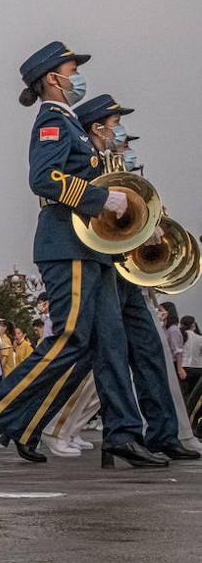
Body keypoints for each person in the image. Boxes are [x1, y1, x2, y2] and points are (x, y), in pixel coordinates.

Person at [0, 44, 165, 470]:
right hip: (66, 246)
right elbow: (44, 178)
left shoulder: (71, 125)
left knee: (108, 346)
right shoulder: (52, 123)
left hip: (91, 249)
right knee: (69, 339)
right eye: (72, 70)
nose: (78, 77)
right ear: (53, 78)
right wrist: (99, 198)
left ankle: (123, 435)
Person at [75, 97, 197, 461]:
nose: (121, 138)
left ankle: (163, 433)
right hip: (106, 264)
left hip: (128, 271)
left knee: (148, 352)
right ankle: (122, 433)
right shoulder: (90, 163)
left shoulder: (117, 167)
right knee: (110, 353)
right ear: (97, 127)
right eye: (115, 126)